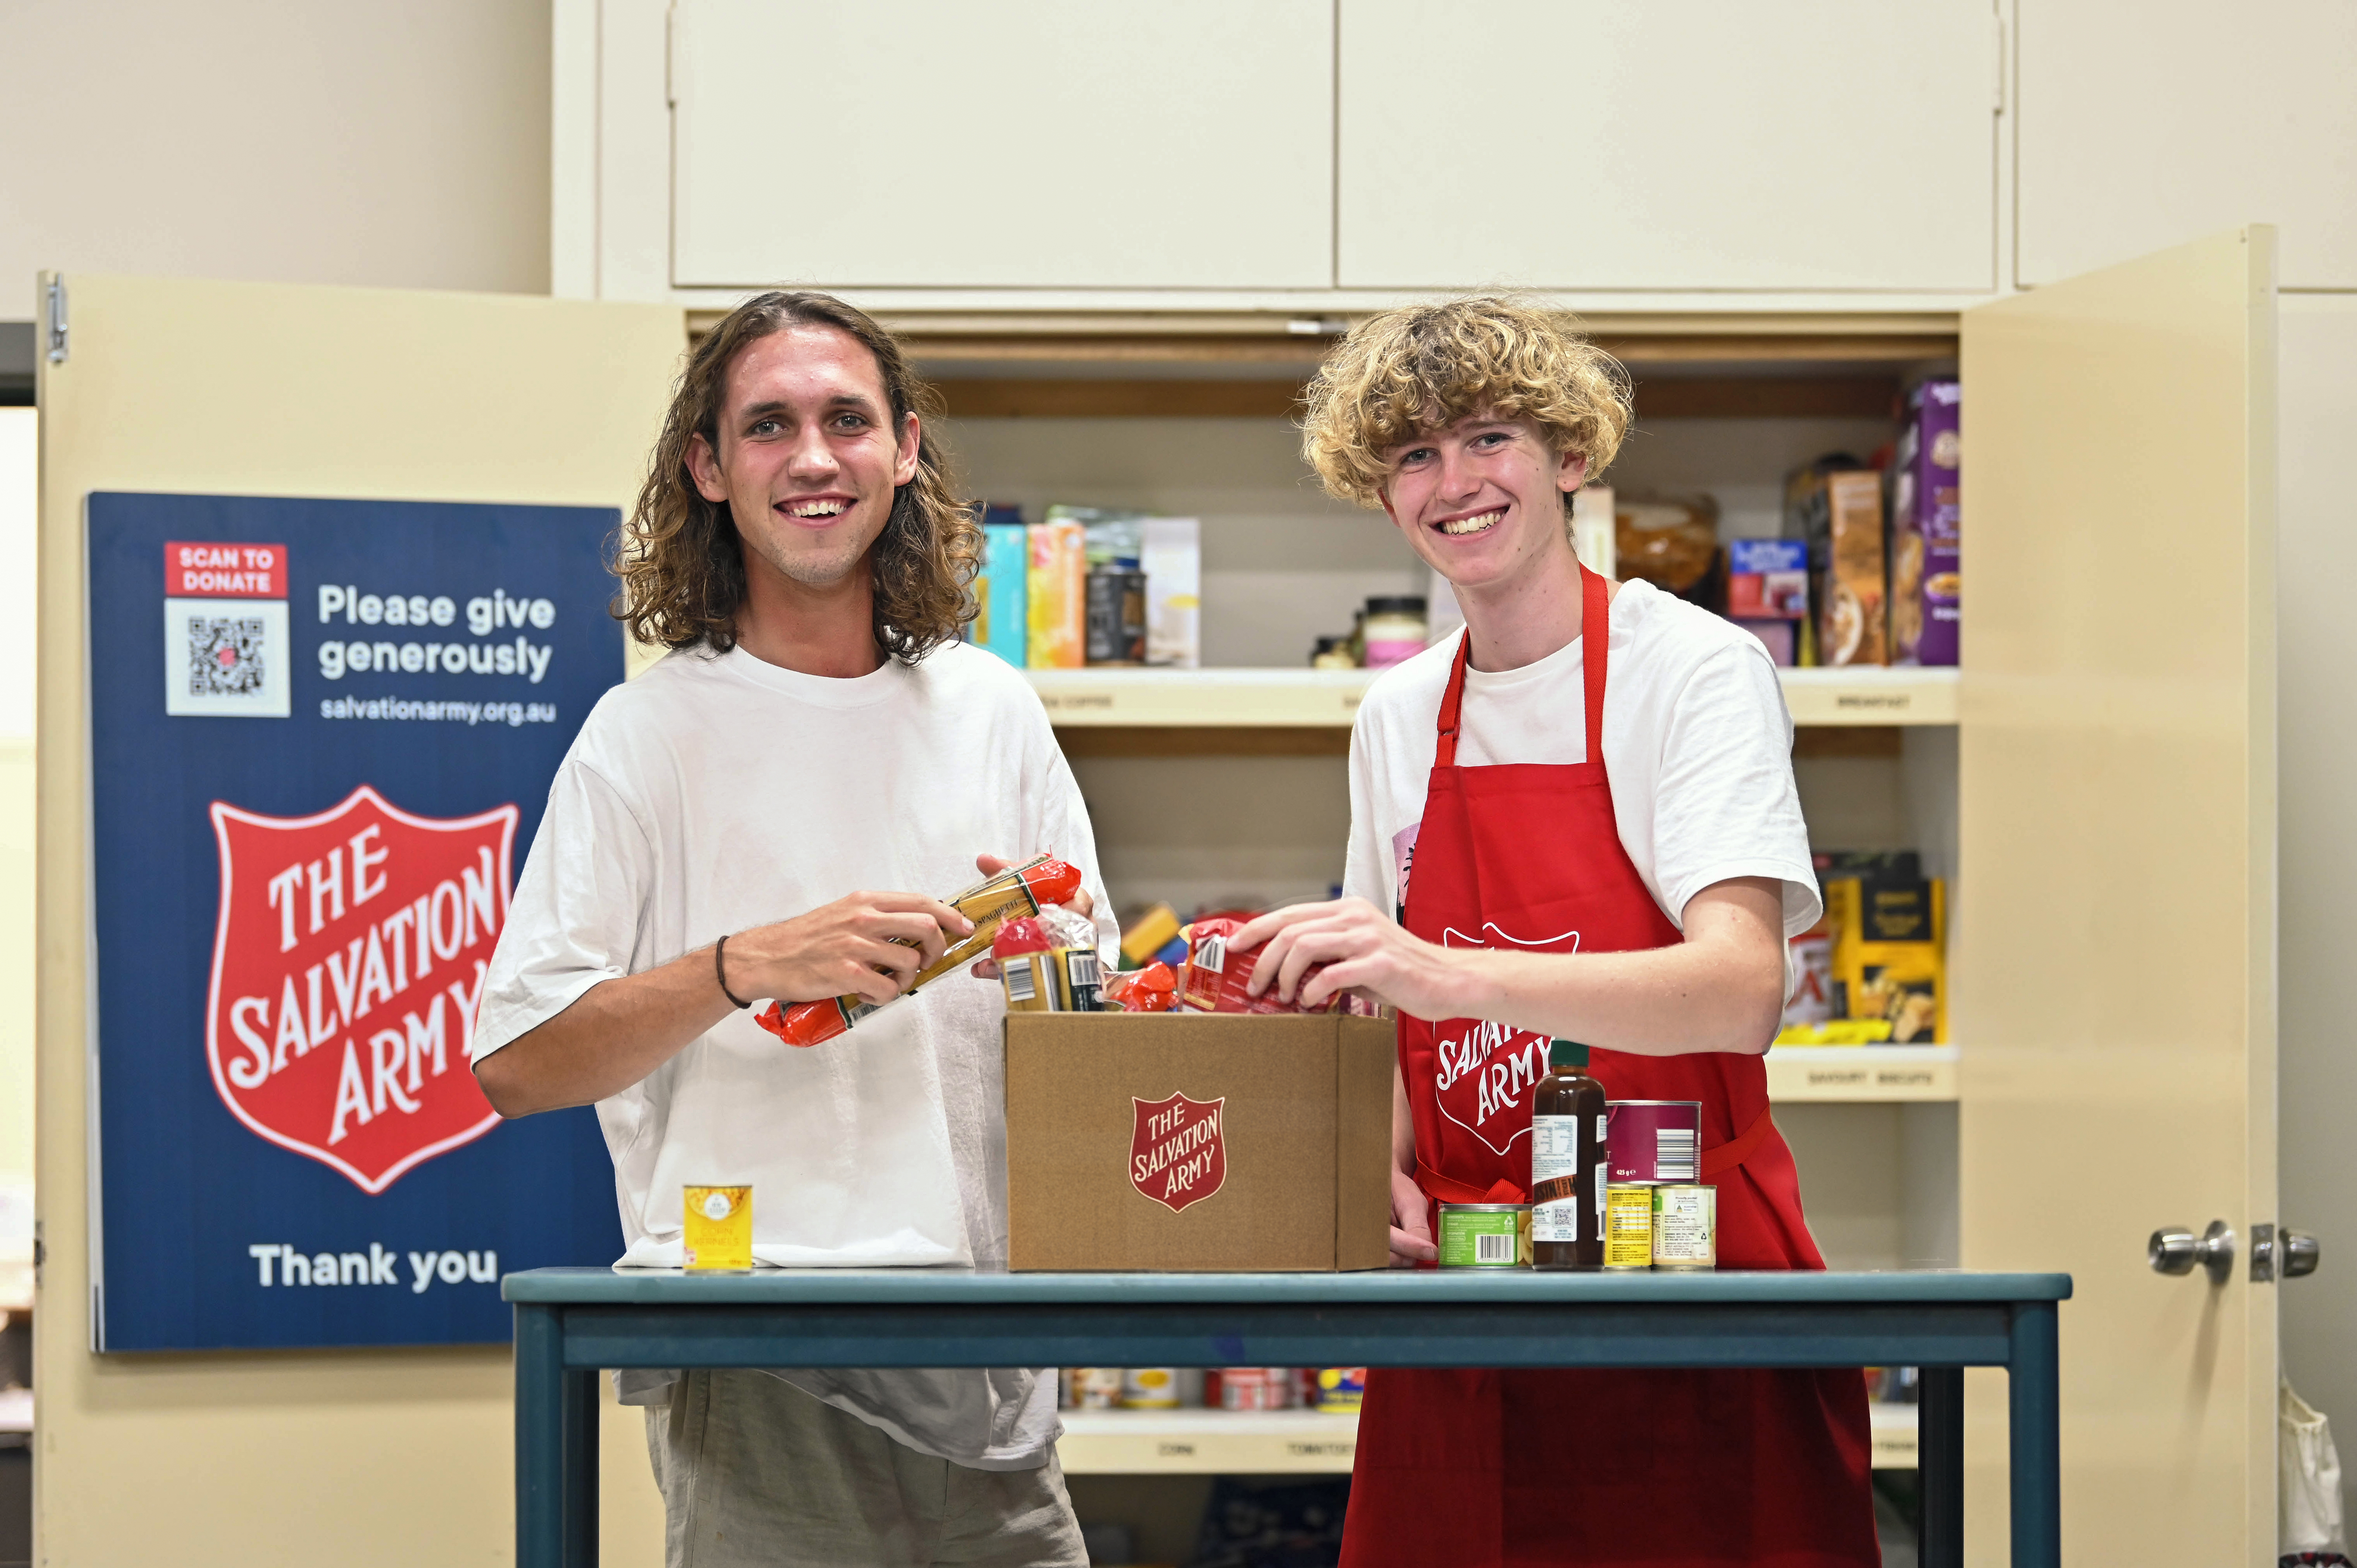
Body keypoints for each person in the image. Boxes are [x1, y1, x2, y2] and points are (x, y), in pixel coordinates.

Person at [1233, 297, 1881, 1567]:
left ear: (1571, 456)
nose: (1454, 484)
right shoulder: (1397, 716)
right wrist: (1376, 1158)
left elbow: (1743, 988)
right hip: (1471, 1298)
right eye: (1414, 456)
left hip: (1683, 1270)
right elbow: (1375, 1007)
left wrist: (1438, 968)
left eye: (1489, 440)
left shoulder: (1688, 671)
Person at [470, 291, 1101, 1568]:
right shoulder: (649, 734)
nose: (813, 458)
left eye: (846, 420)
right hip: (761, 1352)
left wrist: (1061, 974)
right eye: (768, 425)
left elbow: (1095, 1034)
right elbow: (518, 1063)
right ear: (709, 467)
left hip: (993, 1357)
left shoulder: (990, 710)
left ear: (905, 447)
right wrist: (740, 965)